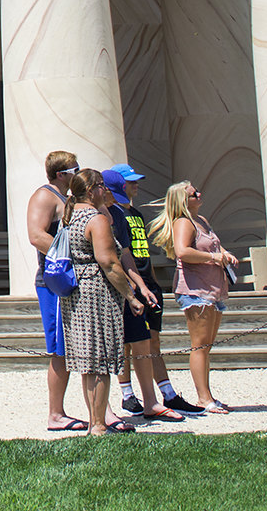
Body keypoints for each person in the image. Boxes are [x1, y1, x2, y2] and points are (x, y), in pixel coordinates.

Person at [101, 165, 193, 419]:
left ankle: (166, 393)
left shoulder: (134, 214)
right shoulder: (112, 214)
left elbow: (136, 253)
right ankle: (127, 394)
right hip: (125, 284)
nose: (135, 185)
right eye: (129, 182)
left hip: (145, 280)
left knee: (150, 339)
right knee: (125, 344)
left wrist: (147, 282)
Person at [59, 168, 142, 434]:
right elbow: (109, 262)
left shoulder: (69, 216)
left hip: (74, 293)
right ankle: (98, 425)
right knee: (102, 359)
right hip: (96, 292)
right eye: (102, 186)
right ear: (93, 189)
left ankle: (96, 421)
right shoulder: (95, 219)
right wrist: (130, 295)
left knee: (87, 360)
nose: (105, 190)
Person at [151, 179, 236, 414]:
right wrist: (213, 258)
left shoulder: (202, 221)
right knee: (199, 345)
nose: (199, 194)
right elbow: (182, 251)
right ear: (183, 200)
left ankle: (207, 395)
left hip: (213, 287)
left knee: (206, 345)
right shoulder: (184, 222)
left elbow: (213, 246)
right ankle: (203, 398)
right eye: (193, 193)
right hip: (195, 290)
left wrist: (224, 254)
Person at [25, 150, 83, 431]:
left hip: (72, 281)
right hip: (54, 282)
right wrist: (72, 257)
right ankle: (55, 414)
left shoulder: (67, 198)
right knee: (60, 349)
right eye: (75, 169)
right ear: (61, 174)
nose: (79, 173)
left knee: (73, 347)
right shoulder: (45, 196)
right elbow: (36, 235)